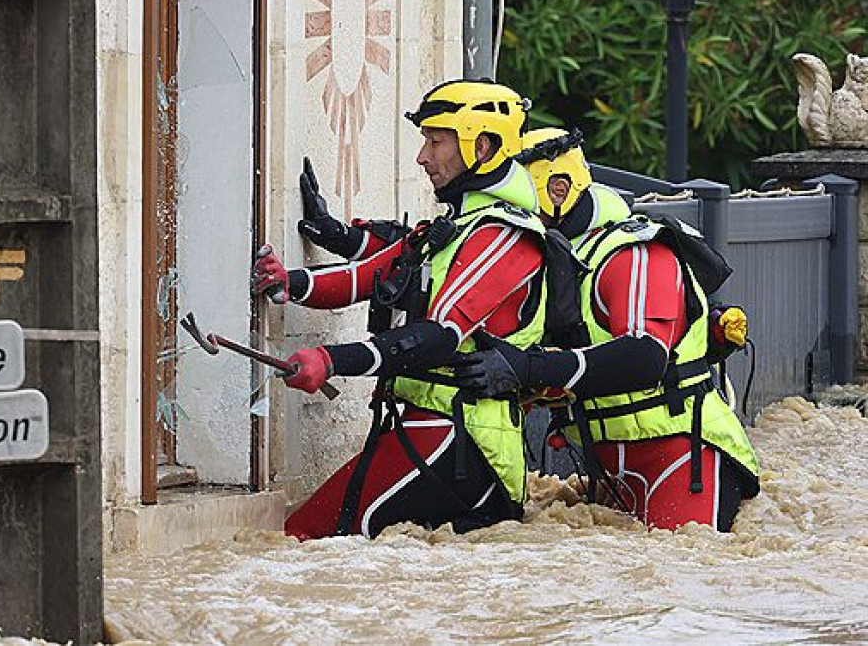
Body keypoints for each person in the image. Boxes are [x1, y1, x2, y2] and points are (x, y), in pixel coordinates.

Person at [251, 79, 548, 540]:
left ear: (482, 146)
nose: (422, 157)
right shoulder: (455, 229)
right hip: (431, 433)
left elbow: (440, 336)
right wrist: (287, 282)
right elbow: (365, 276)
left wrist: (332, 361)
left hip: (464, 445)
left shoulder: (505, 235)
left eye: (436, 141)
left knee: (298, 541)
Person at [460, 127, 761, 532]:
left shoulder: (635, 253)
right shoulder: (554, 264)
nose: (505, 212)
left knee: (679, 569)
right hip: (606, 471)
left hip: (681, 459)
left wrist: (530, 368)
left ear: (559, 189)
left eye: (516, 197)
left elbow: (644, 357)